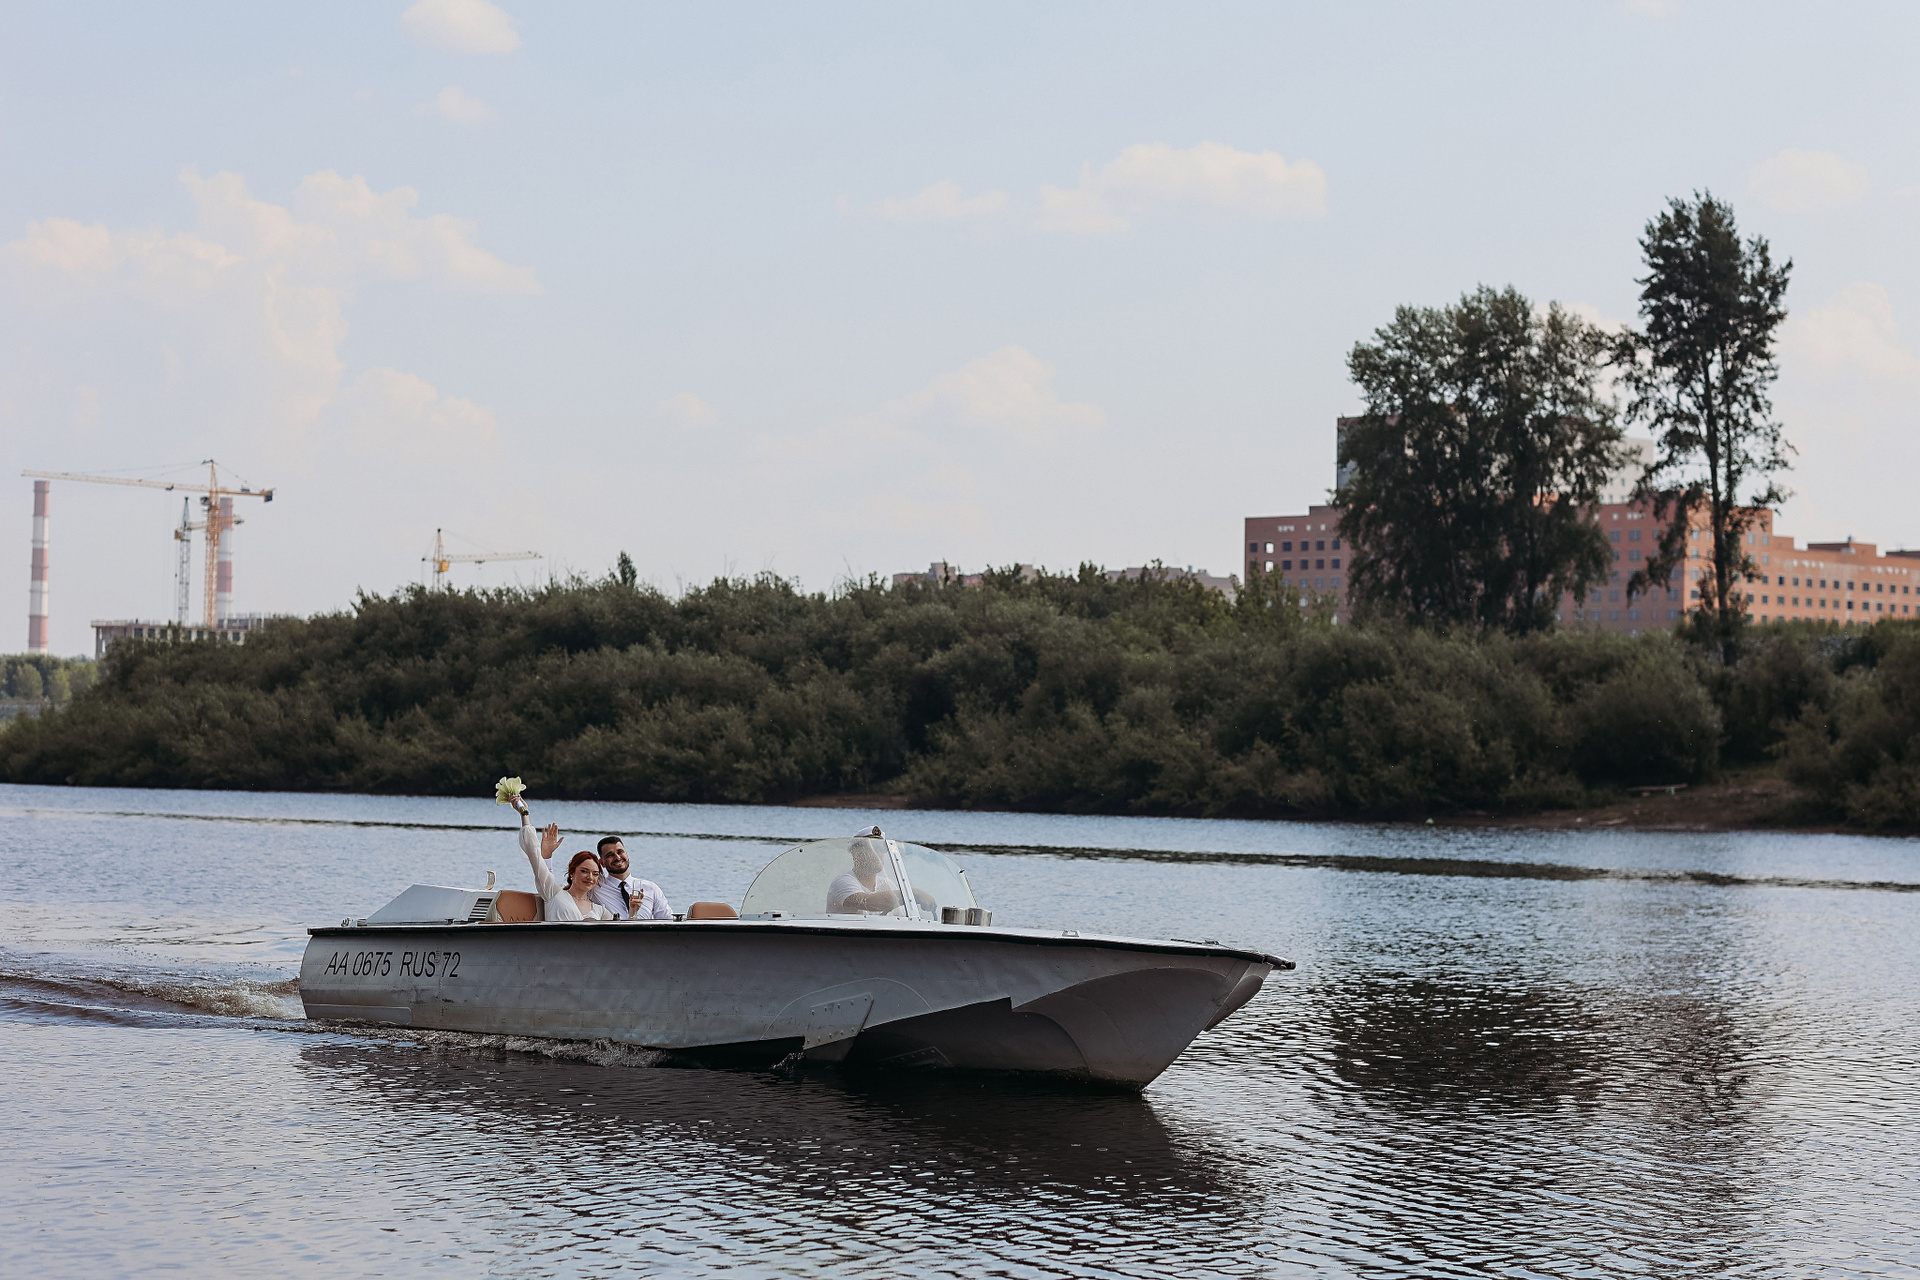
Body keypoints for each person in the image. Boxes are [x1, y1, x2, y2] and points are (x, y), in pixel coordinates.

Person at [510, 796, 616, 921]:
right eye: (584, 871)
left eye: (595, 874)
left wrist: (633, 909)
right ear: (572, 872)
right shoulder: (553, 892)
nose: (590, 877)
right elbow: (533, 852)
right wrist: (524, 813)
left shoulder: (600, 910)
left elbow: (621, 928)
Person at [826, 830, 935, 915]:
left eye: (881, 848)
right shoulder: (843, 882)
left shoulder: (887, 884)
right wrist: (913, 894)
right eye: (873, 847)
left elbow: (902, 918)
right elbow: (867, 902)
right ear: (856, 853)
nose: (879, 853)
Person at [592, 835, 673, 920]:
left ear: (626, 854)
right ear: (602, 863)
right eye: (610, 855)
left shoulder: (651, 888)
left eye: (620, 852)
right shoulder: (595, 887)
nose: (618, 857)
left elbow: (668, 920)